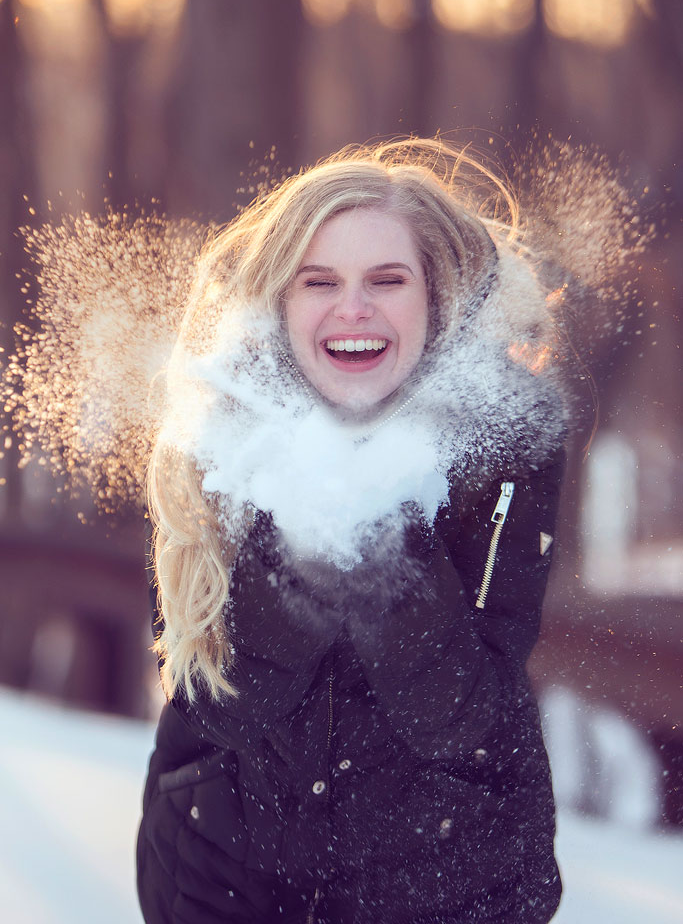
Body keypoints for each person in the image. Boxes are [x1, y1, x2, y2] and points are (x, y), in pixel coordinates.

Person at [137, 138, 568, 924]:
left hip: (450, 885)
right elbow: (217, 706)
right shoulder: (218, 439)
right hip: (219, 878)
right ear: (280, 303)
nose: (353, 309)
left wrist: (377, 549)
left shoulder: (502, 444)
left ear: (434, 297)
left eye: (386, 281)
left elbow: (462, 713)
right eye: (319, 283)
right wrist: (297, 546)